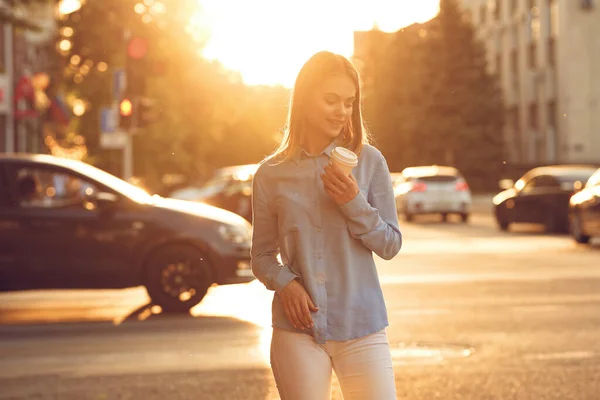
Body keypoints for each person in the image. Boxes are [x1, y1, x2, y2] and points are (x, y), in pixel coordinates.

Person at [250, 51, 402, 400]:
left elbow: (390, 245)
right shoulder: (271, 174)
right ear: (304, 100)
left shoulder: (370, 162)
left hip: (362, 325)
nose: (342, 111)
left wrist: (353, 203)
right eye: (331, 100)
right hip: (297, 330)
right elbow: (260, 257)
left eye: (349, 102)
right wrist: (285, 283)